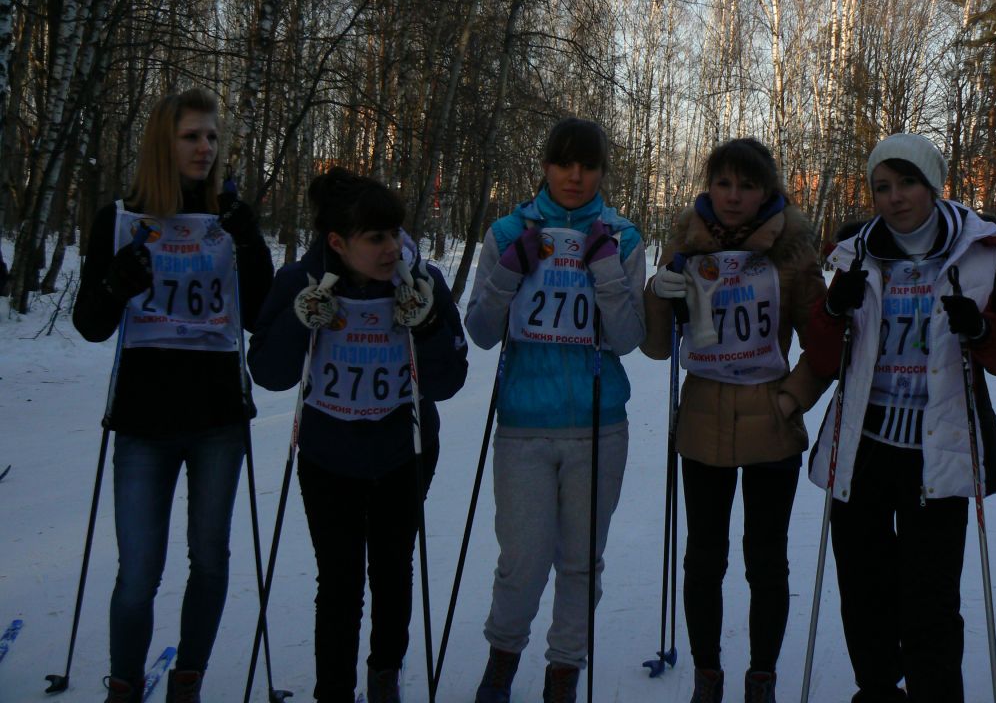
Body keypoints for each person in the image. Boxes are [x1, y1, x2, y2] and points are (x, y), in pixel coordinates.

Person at [806, 133, 996, 703]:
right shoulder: (854, 253)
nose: (895, 198)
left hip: (942, 448)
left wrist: (983, 332)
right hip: (866, 444)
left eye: (907, 183)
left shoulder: (982, 255)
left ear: (933, 186)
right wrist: (833, 308)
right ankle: (877, 690)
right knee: (863, 588)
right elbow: (826, 357)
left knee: (929, 598)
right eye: (882, 186)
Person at [72, 88, 274, 703]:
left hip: (216, 418)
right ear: (165, 141)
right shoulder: (122, 218)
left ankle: (187, 680)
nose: (206, 148)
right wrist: (115, 282)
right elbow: (91, 323)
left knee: (209, 560)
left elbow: (259, 315)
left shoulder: (231, 215)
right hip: (142, 420)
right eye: (192, 136)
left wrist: (250, 242)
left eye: (212, 136)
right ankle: (126, 687)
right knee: (137, 575)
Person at [246, 167, 468, 703]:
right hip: (330, 456)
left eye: (395, 233)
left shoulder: (421, 282)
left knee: (393, 572)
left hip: (403, 452)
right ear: (338, 243)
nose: (392, 247)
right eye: (376, 238)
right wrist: (301, 321)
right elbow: (269, 372)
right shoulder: (301, 281)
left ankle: (384, 676)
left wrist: (430, 324)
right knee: (340, 582)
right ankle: (334, 691)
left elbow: (449, 379)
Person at [641, 138, 829, 703]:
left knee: (765, 559)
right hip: (701, 421)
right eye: (723, 182)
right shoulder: (685, 241)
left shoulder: (793, 248)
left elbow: (825, 344)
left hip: (771, 424)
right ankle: (708, 675)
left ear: (767, 191)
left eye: (748, 185)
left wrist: (792, 398)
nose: (733, 196)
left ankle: (762, 676)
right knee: (704, 558)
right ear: (708, 185)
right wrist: (658, 293)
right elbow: (656, 348)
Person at [465, 117, 646, 703]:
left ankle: (563, 671)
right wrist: (508, 272)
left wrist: (606, 271)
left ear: (601, 171)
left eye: (588, 165)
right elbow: (482, 332)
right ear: (545, 165)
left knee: (580, 562)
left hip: (598, 423)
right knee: (521, 560)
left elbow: (627, 338)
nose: (575, 175)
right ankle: (502, 659)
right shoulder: (508, 230)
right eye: (564, 163)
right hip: (524, 424)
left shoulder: (623, 237)